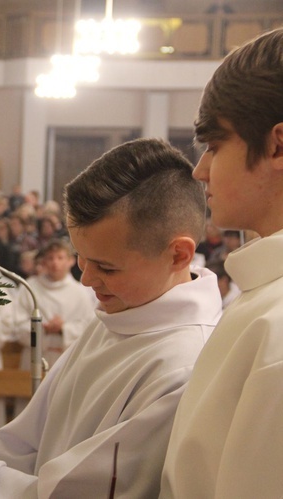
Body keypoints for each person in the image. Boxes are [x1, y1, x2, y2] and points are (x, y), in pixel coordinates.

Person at [0, 138, 221, 497]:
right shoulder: (122, 314)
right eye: (80, 257)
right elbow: (26, 445)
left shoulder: (186, 365)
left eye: (106, 267)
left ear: (178, 255)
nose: (87, 279)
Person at [161, 27, 283, 498]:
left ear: (277, 146)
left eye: (215, 144)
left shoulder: (275, 325)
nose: (200, 169)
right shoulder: (261, 298)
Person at [7, 238, 95, 368]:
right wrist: (43, 328)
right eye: (50, 258)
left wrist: (63, 329)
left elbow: (89, 327)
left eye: (60, 258)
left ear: (71, 261)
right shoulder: (30, 287)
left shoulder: (80, 292)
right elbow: (17, 323)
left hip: (67, 358)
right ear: (43, 262)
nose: (55, 263)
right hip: (35, 357)